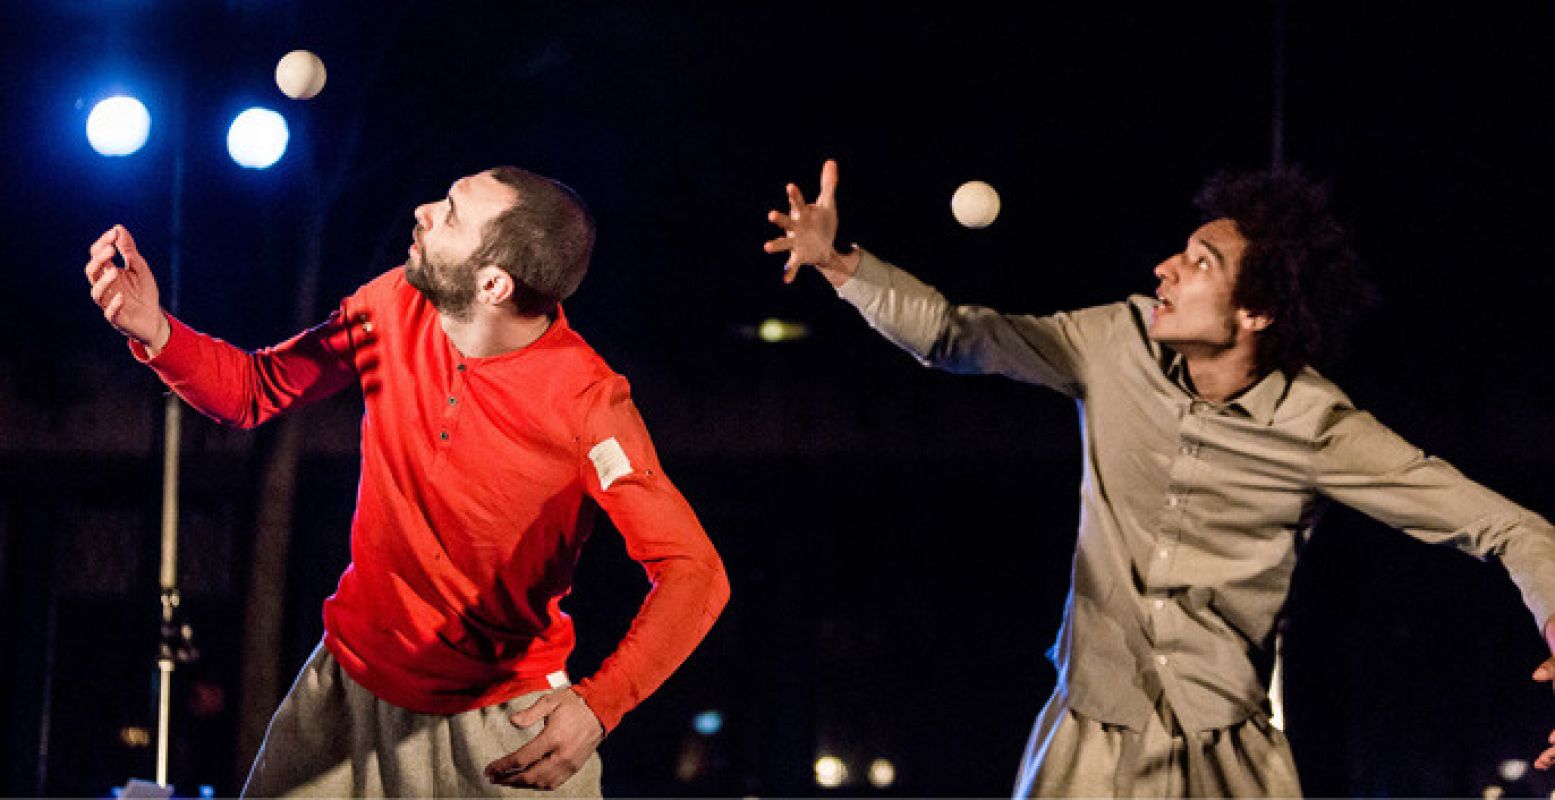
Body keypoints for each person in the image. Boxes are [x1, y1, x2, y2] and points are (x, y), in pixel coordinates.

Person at [764, 160, 1555, 797]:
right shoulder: (1114, 342)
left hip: (1222, 754)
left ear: (1256, 314)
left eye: (1199, 263)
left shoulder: (1318, 428)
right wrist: (843, 266)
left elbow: (1511, 528)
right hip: (1086, 741)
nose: (1164, 269)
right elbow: (954, 335)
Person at [84, 166, 730, 796]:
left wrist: (600, 704)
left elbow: (692, 570)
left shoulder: (587, 404)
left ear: (494, 285)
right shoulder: (391, 303)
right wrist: (155, 330)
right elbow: (256, 389)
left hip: (498, 718)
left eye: (450, 214)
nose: (423, 212)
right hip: (346, 686)